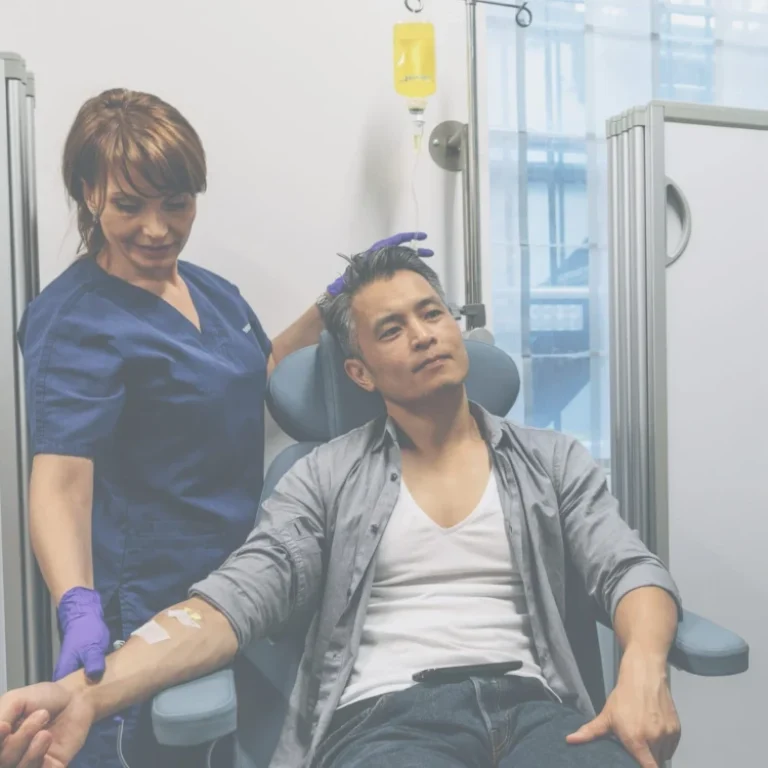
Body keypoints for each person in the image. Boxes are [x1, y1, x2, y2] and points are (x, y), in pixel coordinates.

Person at [2, 246, 683, 768]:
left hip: (540, 713)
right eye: (391, 329)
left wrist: (642, 672)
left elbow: (629, 571)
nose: (422, 335)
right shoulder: (324, 478)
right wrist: (88, 694)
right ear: (358, 371)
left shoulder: (551, 459)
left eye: (431, 313)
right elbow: (232, 602)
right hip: (390, 721)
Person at [16, 88, 432, 767]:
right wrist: (78, 604)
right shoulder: (75, 321)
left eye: (176, 204)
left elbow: (251, 368)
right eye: (129, 205)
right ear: (89, 192)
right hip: (143, 602)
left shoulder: (206, 288)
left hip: (239, 586)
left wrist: (337, 303)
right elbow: (60, 483)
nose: (157, 228)